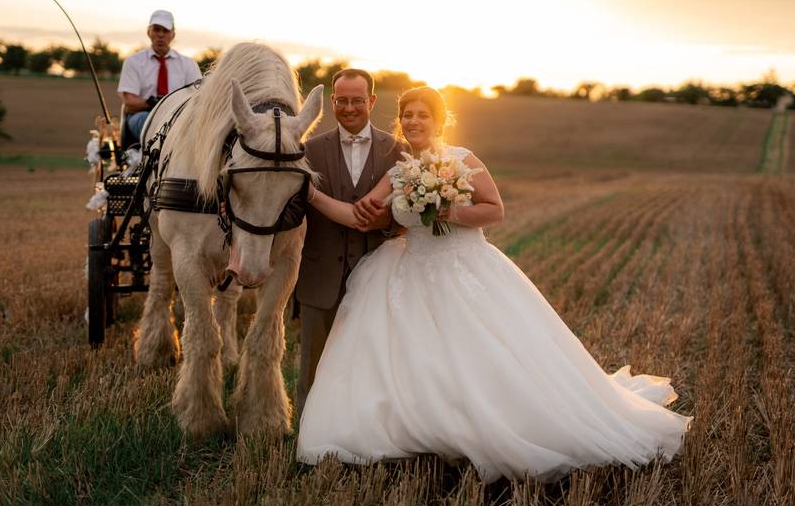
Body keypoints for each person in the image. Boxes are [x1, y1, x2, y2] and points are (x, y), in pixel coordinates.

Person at [296, 86, 692, 483]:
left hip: (465, 267)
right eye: (408, 115)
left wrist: (447, 209)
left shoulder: (462, 159)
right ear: (400, 122)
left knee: (484, 353)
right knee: (415, 357)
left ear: (439, 119)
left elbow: (494, 210)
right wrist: (310, 193)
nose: (415, 122)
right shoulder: (398, 172)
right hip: (411, 269)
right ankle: (426, 430)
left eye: (423, 115)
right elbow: (357, 216)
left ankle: (501, 426)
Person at [294, 69, 405, 421]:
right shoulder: (308, 150)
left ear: (371, 101)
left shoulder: (397, 151)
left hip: (378, 274)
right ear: (332, 103)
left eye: (358, 100)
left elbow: (407, 213)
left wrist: (387, 222)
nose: (350, 108)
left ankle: (366, 429)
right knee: (313, 363)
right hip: (320, 271)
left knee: (376, 359)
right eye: (342, 101)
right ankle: (308, 431)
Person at [117, 9, 202, 141]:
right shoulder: (133, 62)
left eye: (165, 31)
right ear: (149, 32)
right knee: (147, 121)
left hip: (178, 117)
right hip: (144, 115)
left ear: (173, 34)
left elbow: (198, 98)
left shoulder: (189, 64)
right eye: (157, 29)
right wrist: (154, 103)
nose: (161, 35)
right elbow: (129, 102)